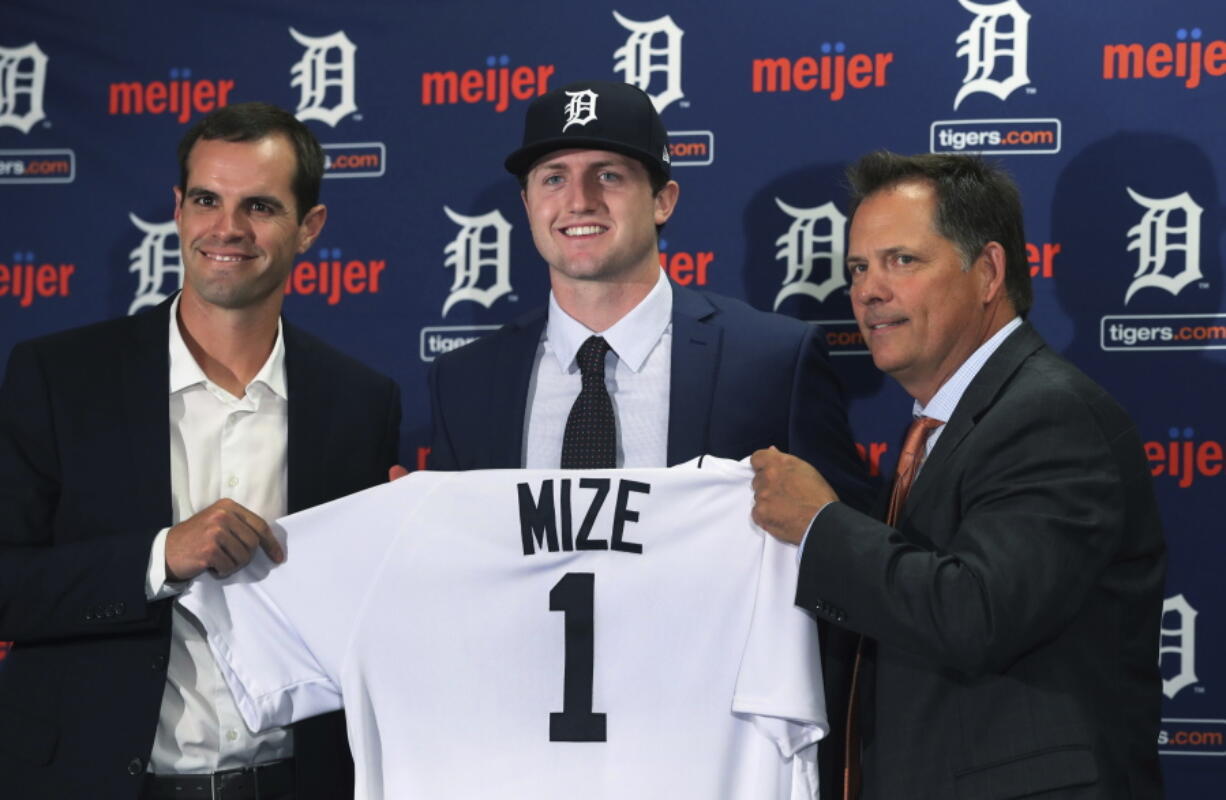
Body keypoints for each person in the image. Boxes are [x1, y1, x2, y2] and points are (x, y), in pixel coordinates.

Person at [0, 102, 401, 799]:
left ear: (310, 228)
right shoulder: (59, 378)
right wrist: (159, 558)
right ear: (178, 210)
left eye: (261, 207)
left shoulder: (360, 404)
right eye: (208, 200)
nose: (228, 229)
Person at [750, 151, 1166, 799]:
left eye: (902, 261)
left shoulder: (1051, 415)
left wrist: (819, 525)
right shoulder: (939, 428)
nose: (867, 290)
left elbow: (975, 613)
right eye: (858, 267)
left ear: (988, 272)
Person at [427, 80, 869, 509]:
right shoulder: (465, 381)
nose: (580, 200)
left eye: (608, 175)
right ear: (527, 205)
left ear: (663, 201)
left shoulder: (773, 361)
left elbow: (842, 541)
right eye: (554, 178)